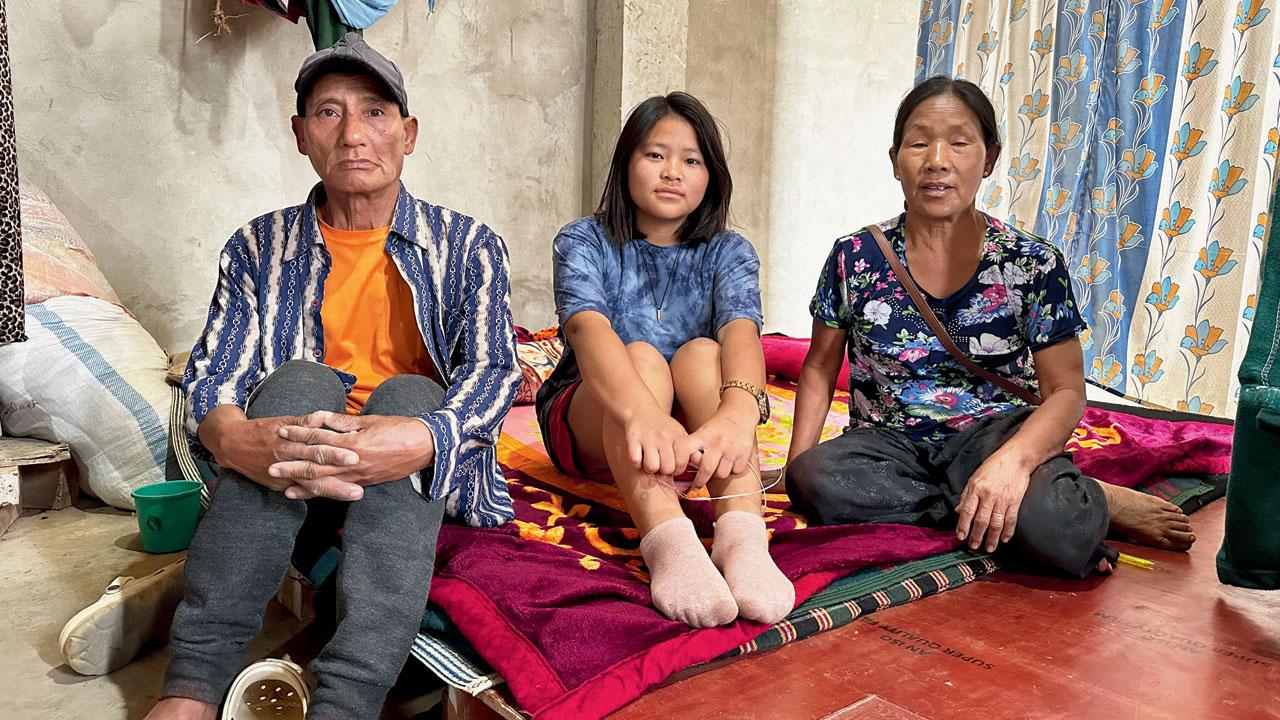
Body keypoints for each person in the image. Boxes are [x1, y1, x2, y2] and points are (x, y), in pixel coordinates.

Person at [146, 33, 520, 720]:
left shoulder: (469, 245)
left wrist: (427, 438)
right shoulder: (259, 245)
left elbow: (497, 368)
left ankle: (346, 703)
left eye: (376, 112)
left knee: (415, 395)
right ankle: (192, 688)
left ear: (408, 134)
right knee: (294, 383)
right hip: (292, 466)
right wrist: (231, 437)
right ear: (300, 135)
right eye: (328, 112)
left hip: (409, 473)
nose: (353, 133)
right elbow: (215, 370)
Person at [785, 76, 1195, 578]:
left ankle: (1066, 498)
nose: (937, 159)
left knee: (1057, 538)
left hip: (993, 436)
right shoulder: (855, 257)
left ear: (990, 158)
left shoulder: (1030, 262)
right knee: (816, 479)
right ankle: (1012, 504)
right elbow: (820, 368)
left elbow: (1066, 390)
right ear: (896, 160)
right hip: (888, 446)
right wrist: (797, 474)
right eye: (919, 143)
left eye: (959, 142)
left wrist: (1015, 463)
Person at [535, 92, 794, 628]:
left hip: (688, 432)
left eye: (691, 160)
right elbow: (587, 329)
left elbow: (742, 333)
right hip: (593, 415)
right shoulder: (583, 240)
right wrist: (642, 413)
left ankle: (742, 535)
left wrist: (737, 416)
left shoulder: (730, 251)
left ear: (710, 177)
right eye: (655, 155)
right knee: (642, 359)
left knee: (704, 354)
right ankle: (669, 542)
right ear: (626, 161)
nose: (672, 172)